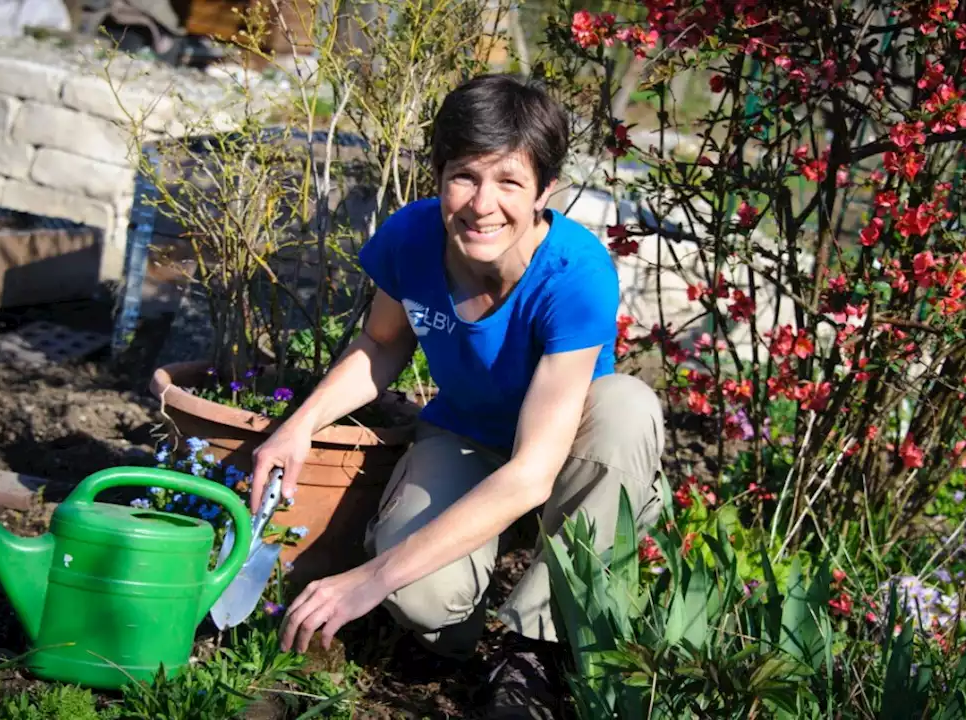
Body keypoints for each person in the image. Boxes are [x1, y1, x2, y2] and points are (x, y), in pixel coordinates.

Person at [247, 73, 665, 718]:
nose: (482, 204)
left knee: (627, 407)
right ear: (439, 173)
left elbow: (533, 473)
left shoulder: (574, 273)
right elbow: (383, 346)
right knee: (422, 598)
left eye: (509, 182)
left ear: (545, 190)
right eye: (465, 176)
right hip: (467, 433)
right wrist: (297, 426)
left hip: (566, 449)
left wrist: (368, 578)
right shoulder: (413, 238)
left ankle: (537, 648)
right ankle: (455, 643)